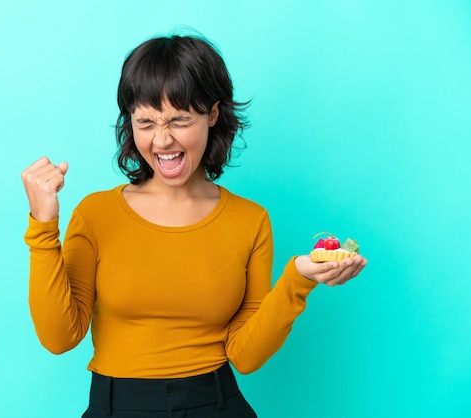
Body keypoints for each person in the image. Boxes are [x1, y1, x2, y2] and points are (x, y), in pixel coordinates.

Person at [21, 33, 367, 418]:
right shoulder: (96, 213)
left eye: (179, 120)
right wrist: (43, 225)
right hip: (116, 406)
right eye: (146, 122)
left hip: (216, 403)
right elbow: (59, 337)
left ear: (213, 114)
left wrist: (297, 278)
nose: (162, 140)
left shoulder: (250, 221)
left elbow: (246, 356)